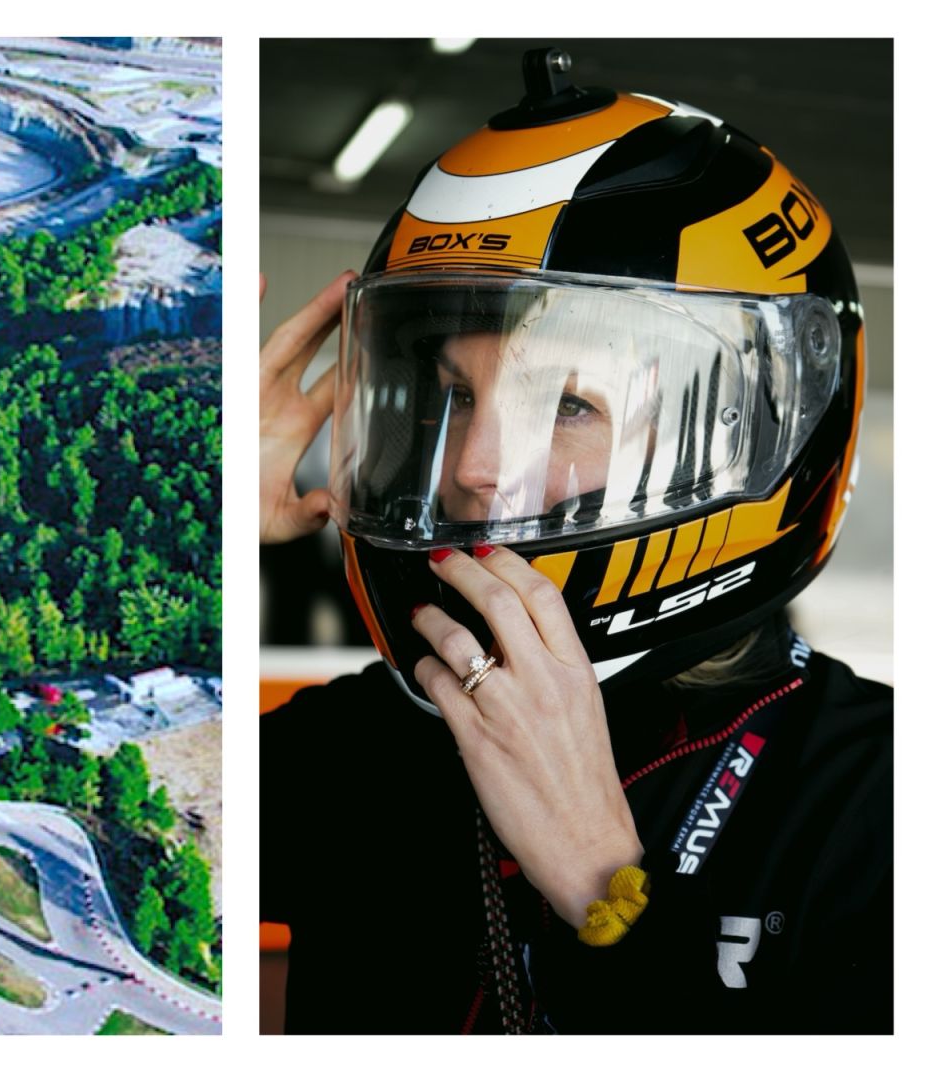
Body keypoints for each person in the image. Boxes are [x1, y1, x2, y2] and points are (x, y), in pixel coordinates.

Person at [260, 49, 892, 1033]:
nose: (474, 466)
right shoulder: (363, 741)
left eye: (567, 406)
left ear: (760, 429)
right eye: (455, 396)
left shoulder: (876, 793)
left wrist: (606, 883)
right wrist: (186, 535)